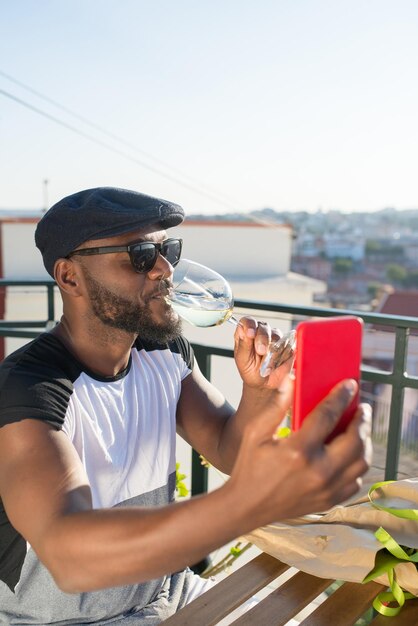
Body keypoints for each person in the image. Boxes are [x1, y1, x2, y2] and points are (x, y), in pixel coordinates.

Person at [0, 187, 372, 625]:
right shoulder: (29, 388)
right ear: (69, 277)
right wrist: (253, 501)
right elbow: (70, 557)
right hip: (59, 620)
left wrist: (258, 393)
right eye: (140, 255)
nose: (164, 269)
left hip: (163, 593)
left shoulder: (163, 349)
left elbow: (228, 449)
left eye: (167, 250)